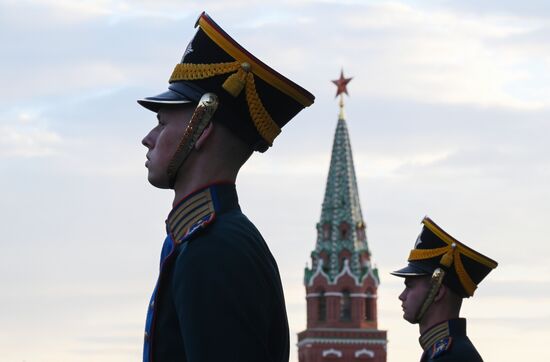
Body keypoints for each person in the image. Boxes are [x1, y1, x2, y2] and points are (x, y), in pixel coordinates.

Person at [137, 12, 315, 362]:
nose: (148, 139)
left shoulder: (214, 250)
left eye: (161, 123)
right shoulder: (208, 240)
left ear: (200, 130)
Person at [391, 217, 498, 361]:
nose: (402, 296)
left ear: (437, 292)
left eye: (409, 286)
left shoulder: (450, 356)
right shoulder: (445, 352)